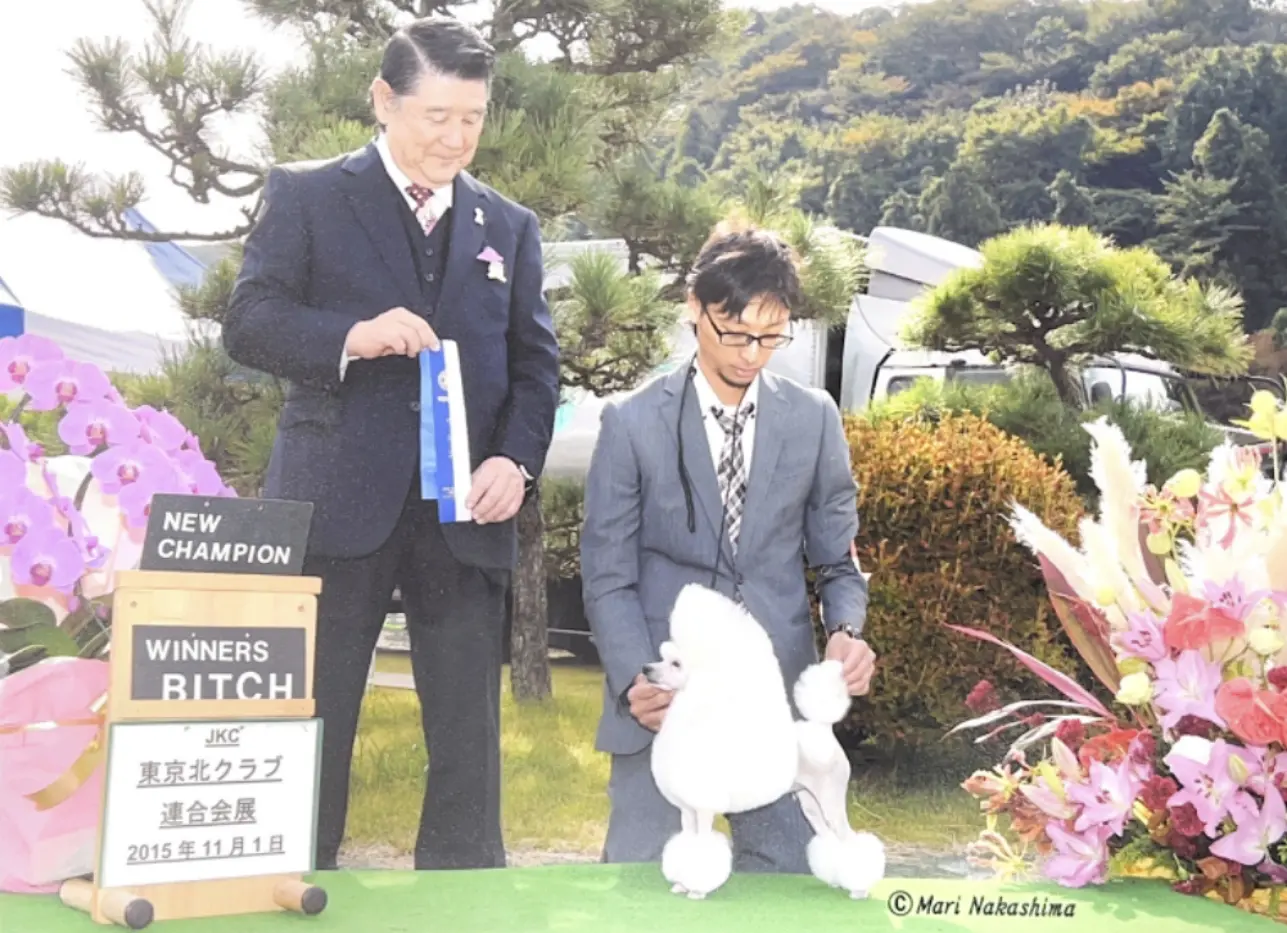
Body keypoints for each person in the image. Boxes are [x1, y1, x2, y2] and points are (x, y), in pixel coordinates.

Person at [222, 16, 560, 871]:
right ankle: (294, 881)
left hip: (464, 511)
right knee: (313, 712)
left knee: (467, 730)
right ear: (383, 100)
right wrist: (352, 336)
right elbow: (249, 321)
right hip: (336, 502)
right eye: (436, 116)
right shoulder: (306, 194)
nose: (454, 137)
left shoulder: (508, 224)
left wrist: (513, 460)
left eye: (472, 118)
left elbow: (536, 366)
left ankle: (463, 894)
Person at [580, 226, 876, 871]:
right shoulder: (631, 422)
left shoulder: (814, 418)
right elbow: (607, 575)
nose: (752, 354)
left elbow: (837, 559)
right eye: (736, 333)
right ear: (695, 307)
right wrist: (635, 679)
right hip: (665, 701)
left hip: (775, 702)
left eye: (772, 336)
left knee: (793, 891)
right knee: (643, 889)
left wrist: (847, 630)